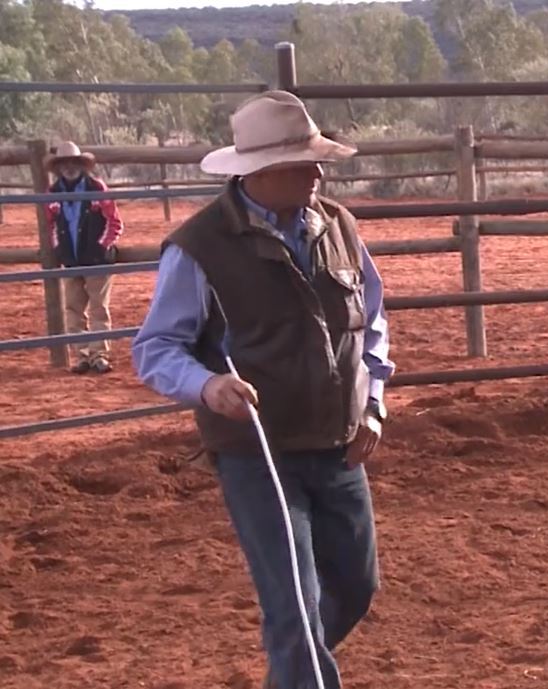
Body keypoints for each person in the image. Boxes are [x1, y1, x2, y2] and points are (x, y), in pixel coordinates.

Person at [131, 90, 394, 689]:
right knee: (294, 603)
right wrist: (206, 385)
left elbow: (371, 322)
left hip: (338, 440)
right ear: (261, 172)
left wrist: (374, 403)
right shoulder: (200, 249)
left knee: (355, 585)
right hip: (258, 453)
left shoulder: (339, 226)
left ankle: (291, 669)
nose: (319, 173)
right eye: (305, 163)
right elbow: (155, 349)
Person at [45, 141, 124, 374]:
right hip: (70, 259)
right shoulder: (53, 193)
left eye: (73, 162)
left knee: (99, 308)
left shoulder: (96, 187)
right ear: (58, 167)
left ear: (81, 164)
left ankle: (99, 354)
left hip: (96, 260)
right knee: (73, 309)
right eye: (64, 163)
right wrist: (59, 249)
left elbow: (115, 221)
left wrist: (102, 246)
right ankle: (81, 355)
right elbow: (49, 226)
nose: (69, 167)